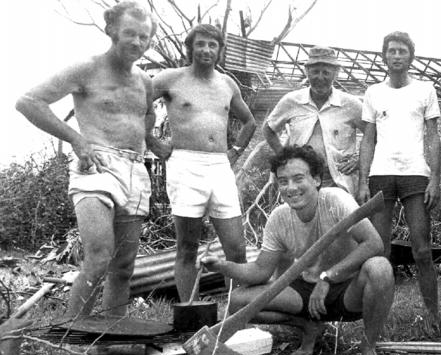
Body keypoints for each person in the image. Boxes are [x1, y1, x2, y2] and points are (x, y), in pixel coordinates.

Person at [15, 1, 157, 317]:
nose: (136, 42)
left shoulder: (145, 81)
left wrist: (154, 143)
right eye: (129, 33)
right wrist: (77, 139)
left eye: (143, 37)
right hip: (96, 166)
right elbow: (28, 101)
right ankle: (74, 339)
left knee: (123, 267)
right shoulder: (86, 68)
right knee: (99, 257)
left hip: (135, 169)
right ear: (111, 31)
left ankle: (109, 342)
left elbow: (146, 117)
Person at [199, 145, 394, 355]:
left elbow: (375, 243)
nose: (290, 188)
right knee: (238, 301)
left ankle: (369, 349)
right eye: (283, 181)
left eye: (298, 178)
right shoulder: (279, 218)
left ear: (317, 179)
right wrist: (221, 266)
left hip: (346, 290)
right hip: (305, 294)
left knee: (380, 268)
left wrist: (328, 277)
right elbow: (260, 271)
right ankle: (308, 326)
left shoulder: (336, 201)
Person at [150, 24, 256, 301]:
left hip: (219, 166)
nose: (206, 50)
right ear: (190, 48)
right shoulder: (171, 78)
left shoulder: (227, 84)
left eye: (212, 45)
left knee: (236, 248)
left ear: (220, 50)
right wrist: (153, 143)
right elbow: (135, 104)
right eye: (200, 44)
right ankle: (189, 308)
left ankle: (238, 309)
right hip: (184, 164)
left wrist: (234, 152)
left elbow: (249, 122)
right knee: (187, 247)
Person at [358, 31, 441, 320]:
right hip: (381, 175)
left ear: (411, 56)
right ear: (384, 56)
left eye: (402, 51)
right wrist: (362, 181)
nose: (396, 56)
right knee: (381, 251)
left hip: (415, 175)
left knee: (421, 249)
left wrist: (435, 178)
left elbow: (433, 137)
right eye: (391, 51)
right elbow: (368, 139)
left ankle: (434, 316)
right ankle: (380, 317)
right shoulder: (373, 92)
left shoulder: (425, 90)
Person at [263, 46, 364, 197]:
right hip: (300, 180)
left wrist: (358, 159)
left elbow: (373, 135)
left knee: (338, 217)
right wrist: (284, 156)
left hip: (338, 179)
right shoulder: (292, 100)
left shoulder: (351, 104)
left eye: (326, 72)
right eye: (315, 72)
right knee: (302, 218)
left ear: (336, 74)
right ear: (306, 72)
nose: (320, 77)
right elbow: (268, 129)